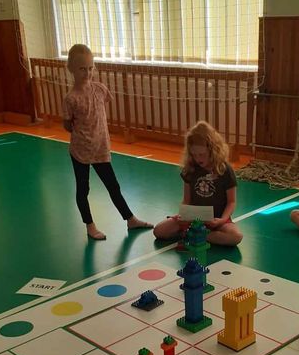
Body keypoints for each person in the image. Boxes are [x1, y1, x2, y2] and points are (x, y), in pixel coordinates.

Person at [63, 44, 152, 240]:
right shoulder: (71, 98)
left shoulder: (100, 90)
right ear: (71, 69)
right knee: (83, 189)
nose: (87, 73)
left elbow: (100, 113)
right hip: (81, 151)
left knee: (113, 185)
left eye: (90, 68)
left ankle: (130, 219)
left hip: (101, 149)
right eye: (82, 69)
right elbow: (67, 125)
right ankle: (90, 225)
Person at [153, 121, 243, 246]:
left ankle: (197, 235)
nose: (198, 158)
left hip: (217, 219)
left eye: (202, 154)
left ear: (213, 150)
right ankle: (196, 233)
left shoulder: (224, 170)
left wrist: (222, 220)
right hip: (193, 218)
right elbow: (186, 200)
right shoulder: (190, 169)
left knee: (235, 236)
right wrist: (182, 214)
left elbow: (231, 202)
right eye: (194, 154)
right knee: (159, 231)